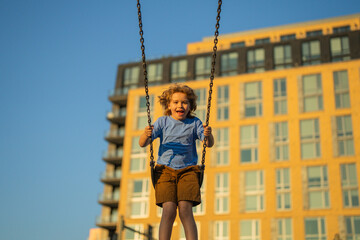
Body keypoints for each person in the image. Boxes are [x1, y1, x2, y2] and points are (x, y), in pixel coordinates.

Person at [139, 84, 214, 240]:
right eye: (176, 102)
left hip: (188, 171)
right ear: (169, 105)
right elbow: (142, 143)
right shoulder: (163, 122)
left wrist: (208, 134)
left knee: (185, 209)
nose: (180, 105)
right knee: (169, 209)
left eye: (184, 102)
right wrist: (146, 134)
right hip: (165, 170)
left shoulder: (195, 123)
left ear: (190, 106)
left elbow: (208, 143)